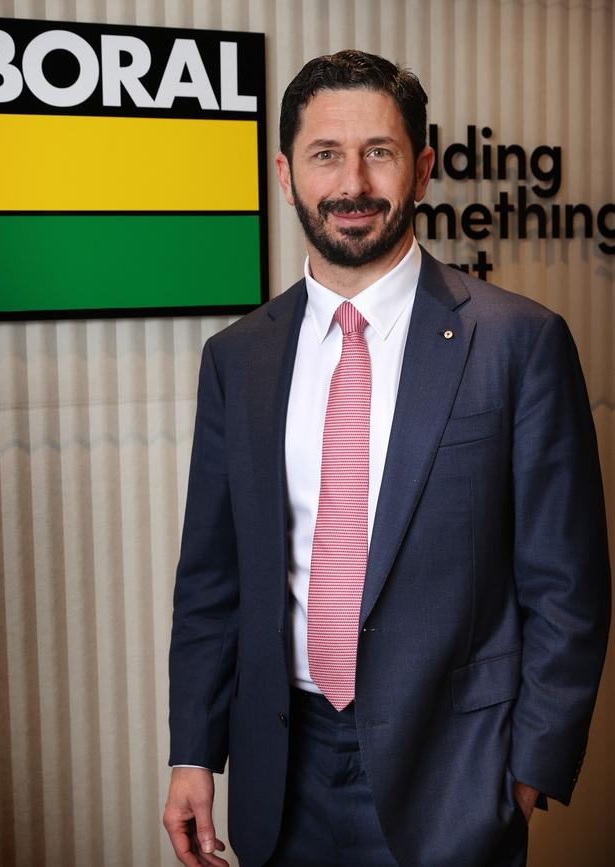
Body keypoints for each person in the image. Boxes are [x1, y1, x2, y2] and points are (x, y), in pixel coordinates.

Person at [163, 50, 611, 867]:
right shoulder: (238, 358)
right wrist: (192, 750)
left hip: (457, 780)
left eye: (380, 151)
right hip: (279, 769)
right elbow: (211, 580)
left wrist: (526, 771)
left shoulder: (520, 342)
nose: (353, 183)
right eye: (325, 154)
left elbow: (568, 586)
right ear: (285, 172)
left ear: (423, 167)